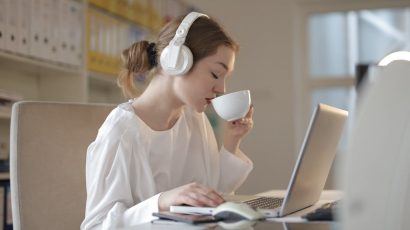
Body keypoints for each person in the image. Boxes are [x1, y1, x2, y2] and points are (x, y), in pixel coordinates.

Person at [81, 12, 255, 229]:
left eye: (225, 78)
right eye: (214, 74)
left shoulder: (195, 119)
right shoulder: (121, 133)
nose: (221, 89)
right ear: (177, 61)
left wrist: (232, 141)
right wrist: (161, 202)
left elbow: (209, 196)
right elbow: (96, 226)